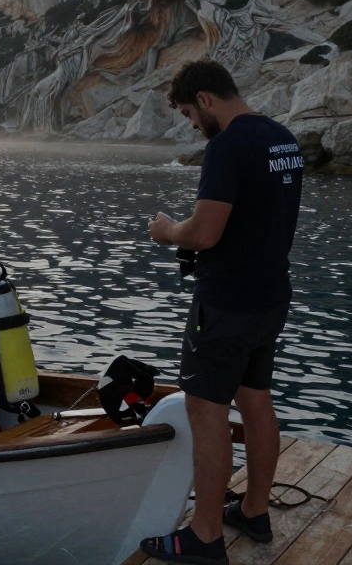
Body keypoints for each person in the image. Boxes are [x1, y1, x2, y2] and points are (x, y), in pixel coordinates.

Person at [139, 60, 303, 565]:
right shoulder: (283, 139)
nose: (191, 123)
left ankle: (204, 537)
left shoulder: (227, 145)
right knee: (256, 400)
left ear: (205, 99)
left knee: (206, 411)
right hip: (271, 295)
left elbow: (206, 232)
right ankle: (254, 511)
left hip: (227, 301)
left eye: (190, 113)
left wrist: (169, 230)